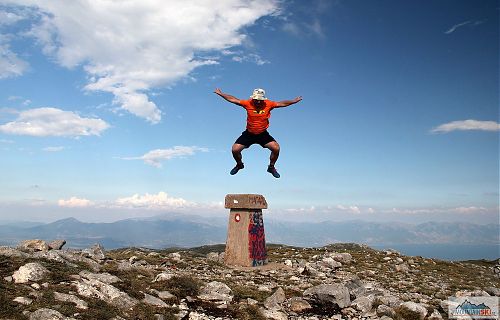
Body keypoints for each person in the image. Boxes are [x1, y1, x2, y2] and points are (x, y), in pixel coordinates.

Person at [214, 88, 302, 178]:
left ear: (263, 99)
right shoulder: (247, 103)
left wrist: (293, 101)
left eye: (260, 100)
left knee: (276, 148)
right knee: (235, 150)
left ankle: (271, 167)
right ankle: (239, 165)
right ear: (253, 98)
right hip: (249, 134)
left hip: (262, 134)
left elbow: (282, 103)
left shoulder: (269, 104)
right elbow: (233, 99)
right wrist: (221, 94)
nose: (258, 102)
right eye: (256, 100)